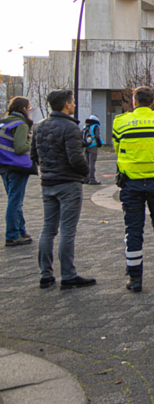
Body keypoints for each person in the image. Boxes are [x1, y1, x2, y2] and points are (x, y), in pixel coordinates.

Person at [113, 86, 154, 292]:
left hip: (130, 183)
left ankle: (135, 280)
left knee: (133, 230)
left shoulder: (120, 122)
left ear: (134, 102)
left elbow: (117, 147)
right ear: (153, 102)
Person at [30, 90, 95, 290]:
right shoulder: (70, 127)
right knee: (67, 230)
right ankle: (68, 275)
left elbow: (34, 155)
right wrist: (86, 173)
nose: (74, 104)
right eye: (73, 102)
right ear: (67, 104)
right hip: (68, 183)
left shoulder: (39, 126)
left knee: (48, 229)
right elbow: (76, 158)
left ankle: (45, 274)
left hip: (47, 182)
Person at [1, 96, 35, 247]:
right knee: (15, 201)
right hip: (17, 167)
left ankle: (21, 231)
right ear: (23, 109)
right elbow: (20, 148)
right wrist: (30, 140)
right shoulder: (21, 125)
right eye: (29, 107)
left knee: (13, 200)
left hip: (3, 166)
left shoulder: (3, 122)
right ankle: (13, 234)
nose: (30, 109)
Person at [82, 115, 103, 184]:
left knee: (86, 163)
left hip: (86, 146)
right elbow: (97, 136)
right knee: (92, 163)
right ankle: (92, 179)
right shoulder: (95, 126)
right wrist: (99, 144)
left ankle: (86, 179)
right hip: (93, 146)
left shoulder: (85, 127)